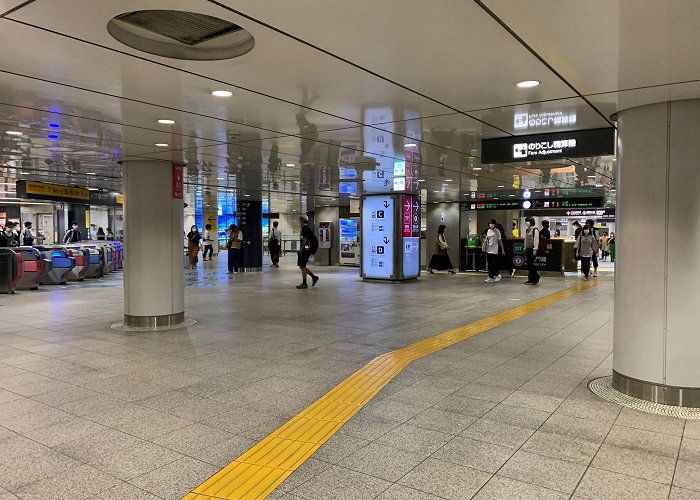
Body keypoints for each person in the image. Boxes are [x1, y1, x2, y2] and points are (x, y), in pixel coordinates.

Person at [296, 216, 319, 288]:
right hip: (311, 247)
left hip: (308, 248)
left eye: (300, 222)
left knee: (302, 266)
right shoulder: (307, 228)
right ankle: (313, 277)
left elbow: (304, 241)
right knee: (302, 266)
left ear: (302, 222)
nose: (300, 224)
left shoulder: (304, 229)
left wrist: (301, 251)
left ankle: (304, 283)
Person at [524, 217, 540, 285]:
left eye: (527, 221)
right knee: (529, 264)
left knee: (531, 264)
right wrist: (525, 248)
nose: (526, 223)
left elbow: (536, 240)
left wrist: (535, 249)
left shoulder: (535, 230)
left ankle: (536, 278)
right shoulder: (527, 230)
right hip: (528, 249)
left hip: (532, 249)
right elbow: (525, 239)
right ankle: (531, 279)